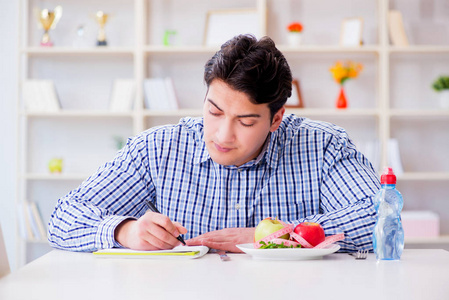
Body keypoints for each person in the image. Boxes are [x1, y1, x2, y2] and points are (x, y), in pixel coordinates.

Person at [48, 34, 380, 253]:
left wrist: (275, 237)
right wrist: (124, 230)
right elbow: (63, 219)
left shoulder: (323, 146)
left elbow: (379, 217)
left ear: (276, 119)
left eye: (246, 122)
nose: (222, 135)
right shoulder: (157, 149)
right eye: (214, 111)